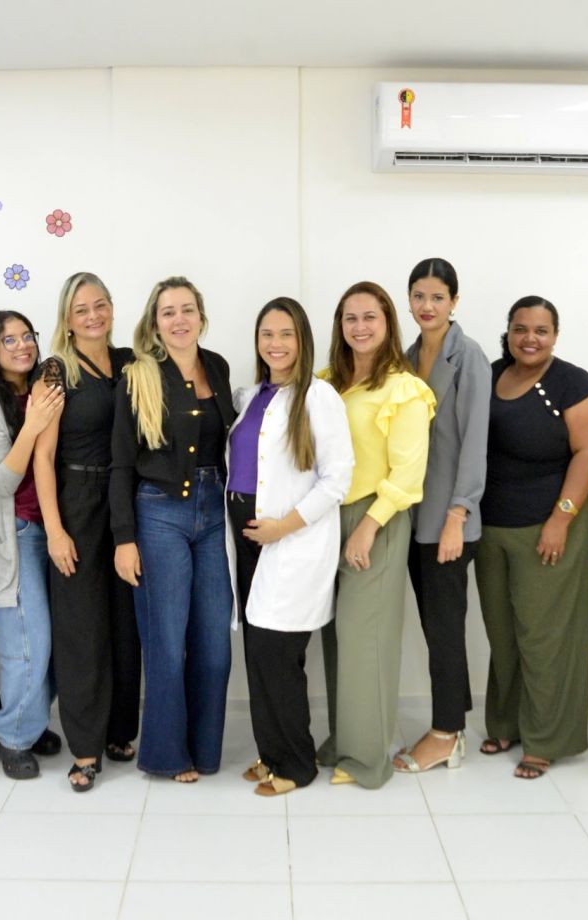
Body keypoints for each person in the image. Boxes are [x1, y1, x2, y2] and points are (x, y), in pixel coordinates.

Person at [474, 296, 588, 780]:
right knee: (503, 633)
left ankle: (546, 739)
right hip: (492, 526)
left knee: (544, 636)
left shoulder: (573, 383)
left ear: (555, 335)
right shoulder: (491, 374)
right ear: (508, 331)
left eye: (541, 330)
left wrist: (561, 519)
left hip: (550, 526)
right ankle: (506, 724)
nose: (530, 338)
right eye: (521, 328)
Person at [110, 276, 235, 783]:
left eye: (187, 309)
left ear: (201, 316)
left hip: (214, 513)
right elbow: (122, 462)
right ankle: (166, 755)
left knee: (215, 642)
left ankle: (205, 750)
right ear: (155, 322)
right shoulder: (138, 376)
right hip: (159, 513)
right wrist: (124, 538)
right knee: (165, 640)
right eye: (168, 312)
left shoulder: (219, 366)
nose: (179, 320)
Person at [227, 297, 353, 796]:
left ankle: (297, 765)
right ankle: (271, 754)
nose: (275, 344)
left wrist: (283, 527)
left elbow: (337, 478)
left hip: (291, 541)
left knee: (277, 656)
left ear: (303, 340)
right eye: (267, 334)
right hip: (249, 540)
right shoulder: (255, 396)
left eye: (286, 334)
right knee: (258, 654)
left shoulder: (319, 397)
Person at [316, 281, 435, 789]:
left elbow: (408, 473)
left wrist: (368, 527)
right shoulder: (326, 383)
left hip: (376, 519)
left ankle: (367, 759)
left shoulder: (403, 389)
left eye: (370, 317)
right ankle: (343, 739)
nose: (360, 327)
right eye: (351, 318)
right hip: (325, 518)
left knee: (367, 639)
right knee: (336, 636)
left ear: (388, 323)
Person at [33, 273, 141, 792]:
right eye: (81, 309)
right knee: (81, 628)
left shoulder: (132, 363)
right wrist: (55, 531)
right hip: (76, 503)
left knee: (124, 622)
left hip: (127, 502)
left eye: (100, 305)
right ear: (67, 319)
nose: (93, 315)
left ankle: (120, 731)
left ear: (113, 309)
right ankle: (85, 748)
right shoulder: (56, 371)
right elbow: (43, 457)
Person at [394, 258, 490, 775]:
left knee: (446, 630)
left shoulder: (468, 357)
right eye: (418, 296)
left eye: (437, 297)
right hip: (413, 515)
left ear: (455, 301)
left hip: (448, 519)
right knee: (436, 628)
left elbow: (475, 443)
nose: (427, 306)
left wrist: (458, 514)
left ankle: (447, 733)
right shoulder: (407, 357)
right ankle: (451, 723)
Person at [0, 310, 66, 780]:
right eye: (9, 340)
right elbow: (3, 483)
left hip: (56, 529)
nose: (23, 345)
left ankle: (31, 720)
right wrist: (31, 424)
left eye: (27, 336)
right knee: (27, 641)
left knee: (55, 641)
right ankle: (12, 736)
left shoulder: (45, 389)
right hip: (19, 535)